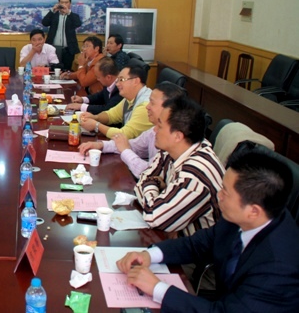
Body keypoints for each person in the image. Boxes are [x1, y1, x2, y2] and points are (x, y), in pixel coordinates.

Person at [117, 147, 299, 312]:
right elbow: (199, 243)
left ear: (254, 211)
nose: (218, 195)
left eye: (225, 192)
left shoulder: (277, 268)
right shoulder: (245, 215)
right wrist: (149, 255)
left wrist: (157, 288)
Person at [135, 96, 224, 236]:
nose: (154, 130)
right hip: (176, 237)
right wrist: (154, 185)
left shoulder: (195, 176)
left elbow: (154, 217)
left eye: (160, 126)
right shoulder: (173, 149)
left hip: (199, 248)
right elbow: (143, 178)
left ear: (178, 136)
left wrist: (152, 183)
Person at [79, 82, 186, 178]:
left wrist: (125, 151)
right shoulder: (153, 130)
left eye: (152, 103)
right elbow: (133, 145)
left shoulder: (173, 137)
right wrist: (101, 145)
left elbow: (148, 173)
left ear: (169, 109)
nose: (147, 107)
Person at [79, 62, 152, 139]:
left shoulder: (145, 106)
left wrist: (96, 125)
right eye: (117, 80)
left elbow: (124, 134)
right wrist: (95, 117)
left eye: (121, 79)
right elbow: (111, 115)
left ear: (136, 81)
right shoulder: (130, 98)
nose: (117, 84)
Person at [42, 0, 82, 70]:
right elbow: (44, 23)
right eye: (62, 2)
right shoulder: (54, 15)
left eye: (66, 2)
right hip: (53, 49)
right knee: (53, 70)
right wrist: (52, 11)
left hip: (68, 50)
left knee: (66, 71)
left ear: (70, 4)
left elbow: (78, 23)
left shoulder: (73, 16)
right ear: (58, 3)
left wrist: (68, 13)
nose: (64, 4)